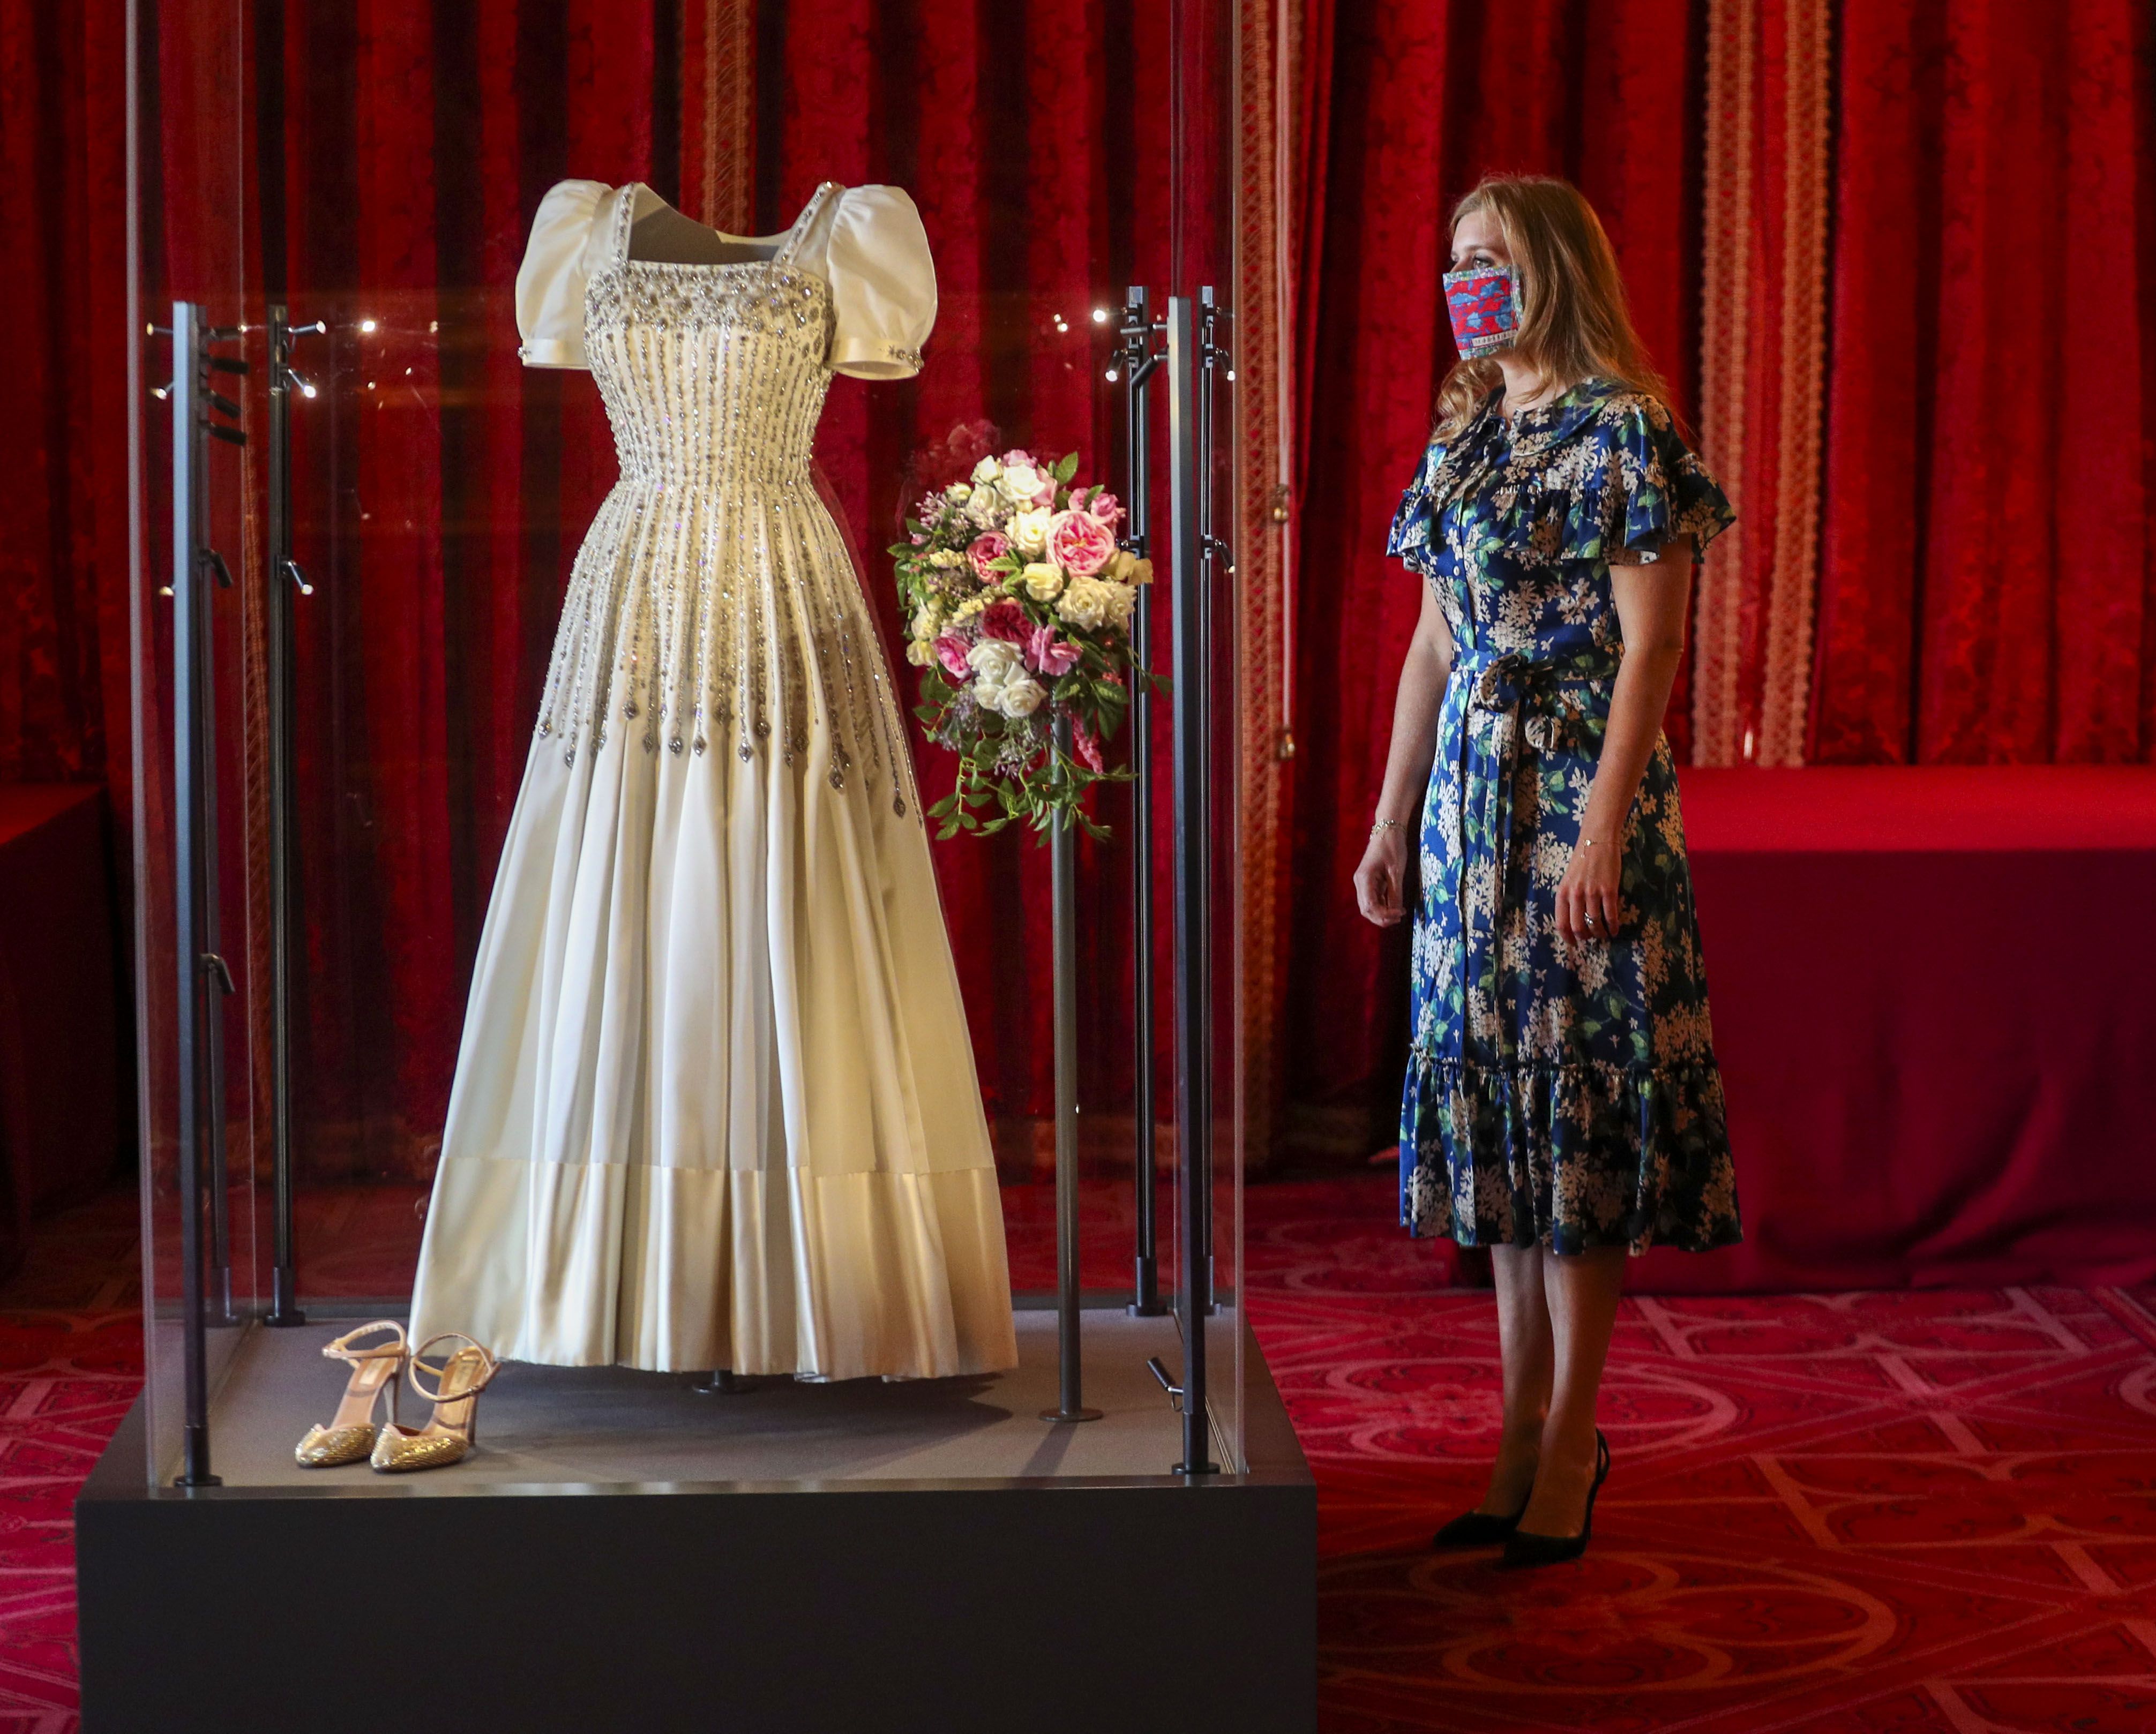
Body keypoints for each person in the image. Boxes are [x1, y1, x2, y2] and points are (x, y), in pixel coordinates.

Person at [1353, 175, 1741, 1568]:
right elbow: (1432, 646)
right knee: (1501, 1126)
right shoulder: (1462, 439)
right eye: (1456, 258)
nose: (1471, 282)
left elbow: (1651, 650)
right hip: (1468, 810)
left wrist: (1598, 828)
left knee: (1572, 1114)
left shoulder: (1624, 429)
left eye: (1495, 260)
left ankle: (1576, 1432)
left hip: (1580, 795)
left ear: (1556, 271)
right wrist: (1392, 821)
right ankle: (1516, 1435)